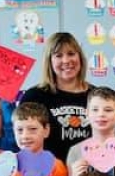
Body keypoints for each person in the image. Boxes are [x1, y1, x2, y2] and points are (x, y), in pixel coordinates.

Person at [19, 32, 93, 162]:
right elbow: (23, 137)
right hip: (48, 175)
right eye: (58, 55)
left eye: (71, 53)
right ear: (50, 61)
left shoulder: (96, 95)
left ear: (80, 57)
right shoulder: (35, 96)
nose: (66, 60)